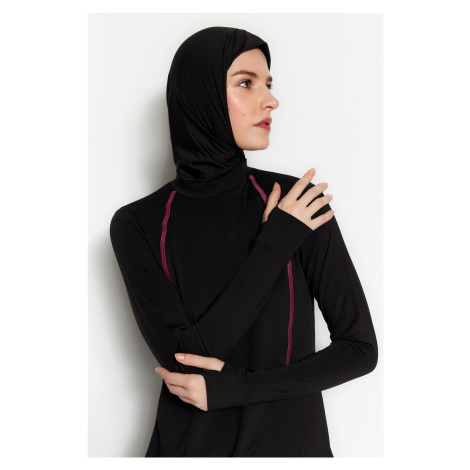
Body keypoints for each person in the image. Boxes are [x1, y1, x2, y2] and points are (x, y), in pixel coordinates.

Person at [110, 26, 378, 457]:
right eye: (246, 83)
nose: (271, 100)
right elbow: (186, 360)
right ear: (200, 96)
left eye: (268, 83)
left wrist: (237, 388)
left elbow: (359, 350)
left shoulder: (298, 203)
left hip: (291, 450)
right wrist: (275, 244)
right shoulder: (138, 223)